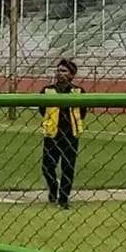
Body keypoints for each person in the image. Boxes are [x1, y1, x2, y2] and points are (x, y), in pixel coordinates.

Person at [40, 59, 87, 209]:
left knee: (68, 167)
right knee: (47, 166)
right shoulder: (47, 90)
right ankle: (53, 188)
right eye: (58, 70)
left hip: (70, 134)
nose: (60, 74)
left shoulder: (78, 92)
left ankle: (64, 198)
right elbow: (42, 109)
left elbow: (82, 111)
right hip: (52, 133)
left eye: (64, 71)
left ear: (72, 75)